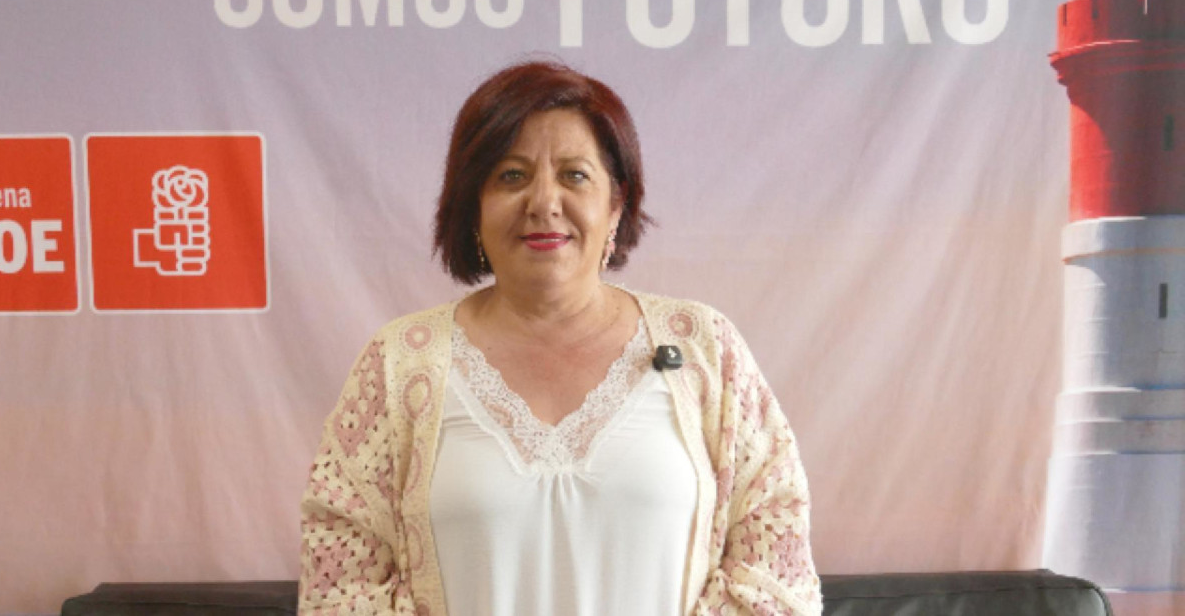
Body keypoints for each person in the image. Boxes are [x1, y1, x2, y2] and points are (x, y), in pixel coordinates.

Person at [298, 61, 821, 615]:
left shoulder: (705, 351)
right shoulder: (400, 364)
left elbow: (777, 577)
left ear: (616, 205)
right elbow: (339, 586)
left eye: (574, 175)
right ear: (473, 205)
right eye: (511, 176)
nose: (544, 202)